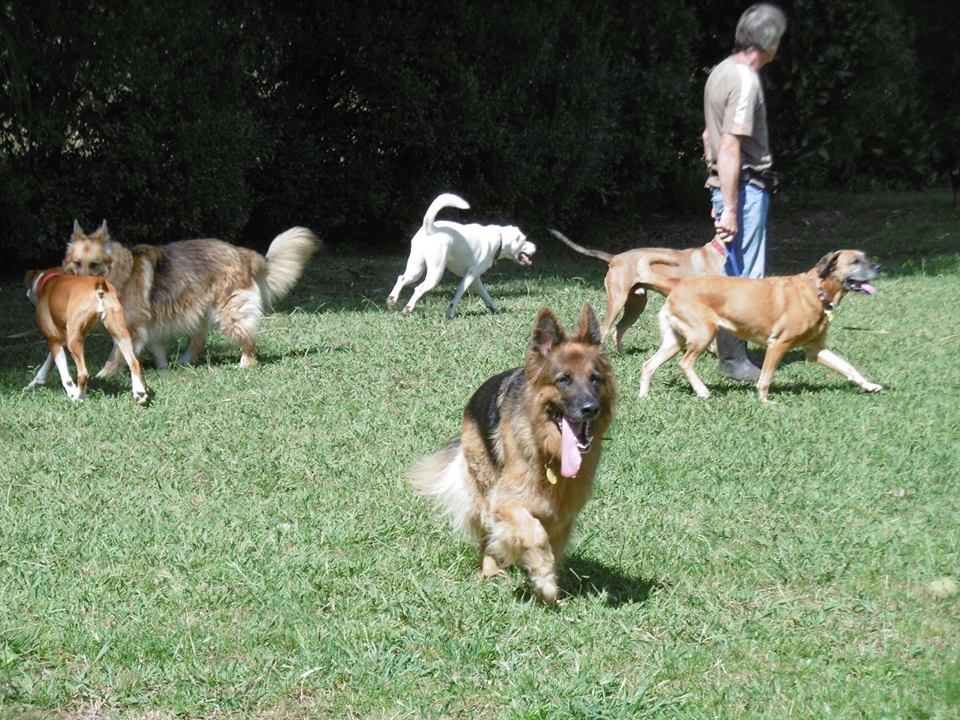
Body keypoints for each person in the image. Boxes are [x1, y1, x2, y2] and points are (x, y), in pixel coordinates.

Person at [702, 3, 787, 382]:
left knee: (729, 272)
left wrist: (718, 194)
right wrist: (732, 207)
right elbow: (731, 145)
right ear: (769, 43)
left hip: (725, 186)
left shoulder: (718, 72)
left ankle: (730, 351)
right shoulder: (746, 79)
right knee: (746, 279)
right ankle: (735, 360)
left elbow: (709, 137)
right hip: (745, 188)